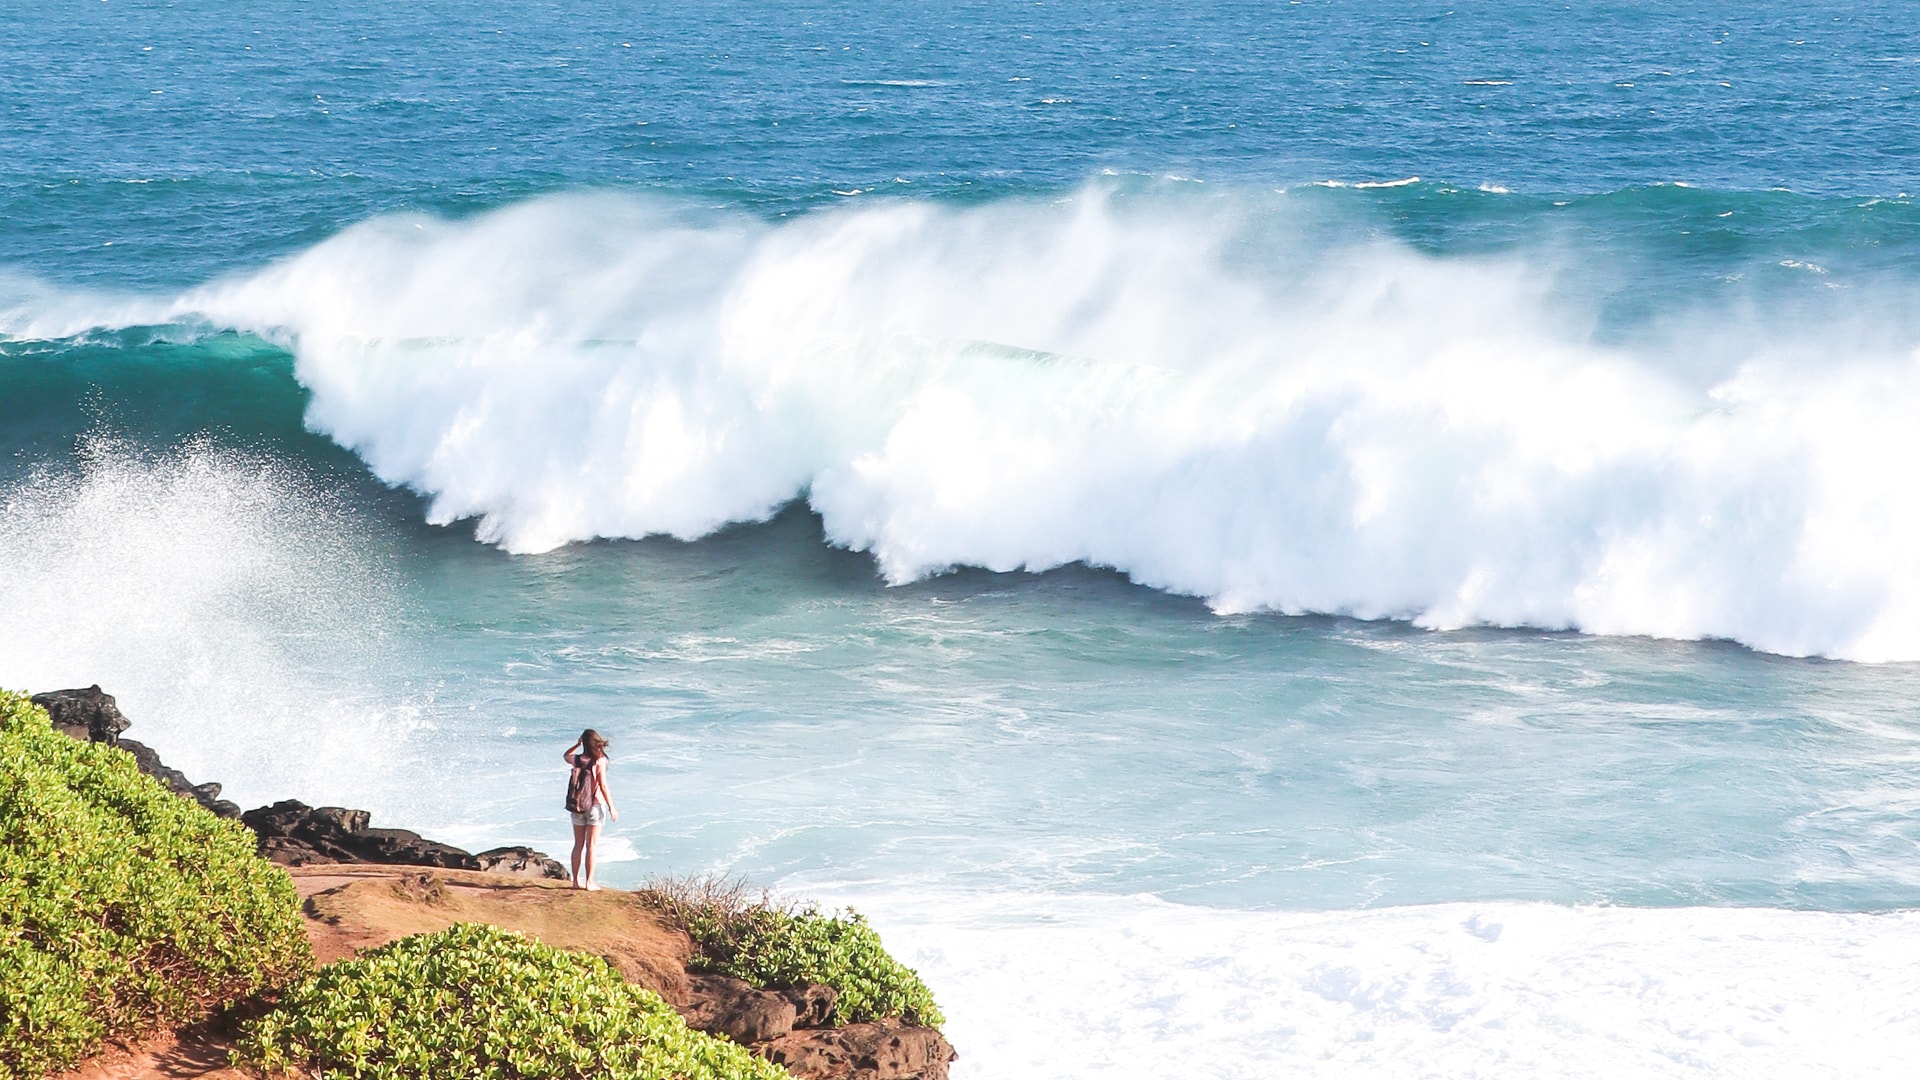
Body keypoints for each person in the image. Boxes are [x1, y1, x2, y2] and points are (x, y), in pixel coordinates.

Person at [562, 729, 618, 890]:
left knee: (578, 845)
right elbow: (603, 785)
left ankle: (574, 882)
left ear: (584, 743)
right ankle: (589, 882)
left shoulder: (577, 760)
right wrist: (612, 808)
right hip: (594, 806)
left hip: (577, 806)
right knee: (591, 845)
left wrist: (576, 744)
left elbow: (565, 755)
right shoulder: (600, 761)